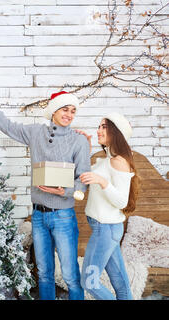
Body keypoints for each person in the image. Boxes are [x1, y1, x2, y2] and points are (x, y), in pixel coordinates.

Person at [0, 86, 91, 300]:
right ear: (54, 111)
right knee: (45, 274)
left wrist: (63, 191)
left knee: (70, 275)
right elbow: (7, 127)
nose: (69, 115)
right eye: (65, 109)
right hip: (38, 215)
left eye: (73, 111)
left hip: (63, 215)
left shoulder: (79, 141)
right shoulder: (36, 132)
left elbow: (83, 181)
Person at [77, 113, 139, 300]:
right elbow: (87, 176)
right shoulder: (106, 159)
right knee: (120, 283)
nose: (99, 130)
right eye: (99, 126)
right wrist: (86, 149)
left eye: (104, 127)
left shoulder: (119, 161)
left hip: (106, 229)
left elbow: (122, 201)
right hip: (106, 228)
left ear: (116, 132)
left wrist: (103, 182)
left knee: (89, 281)